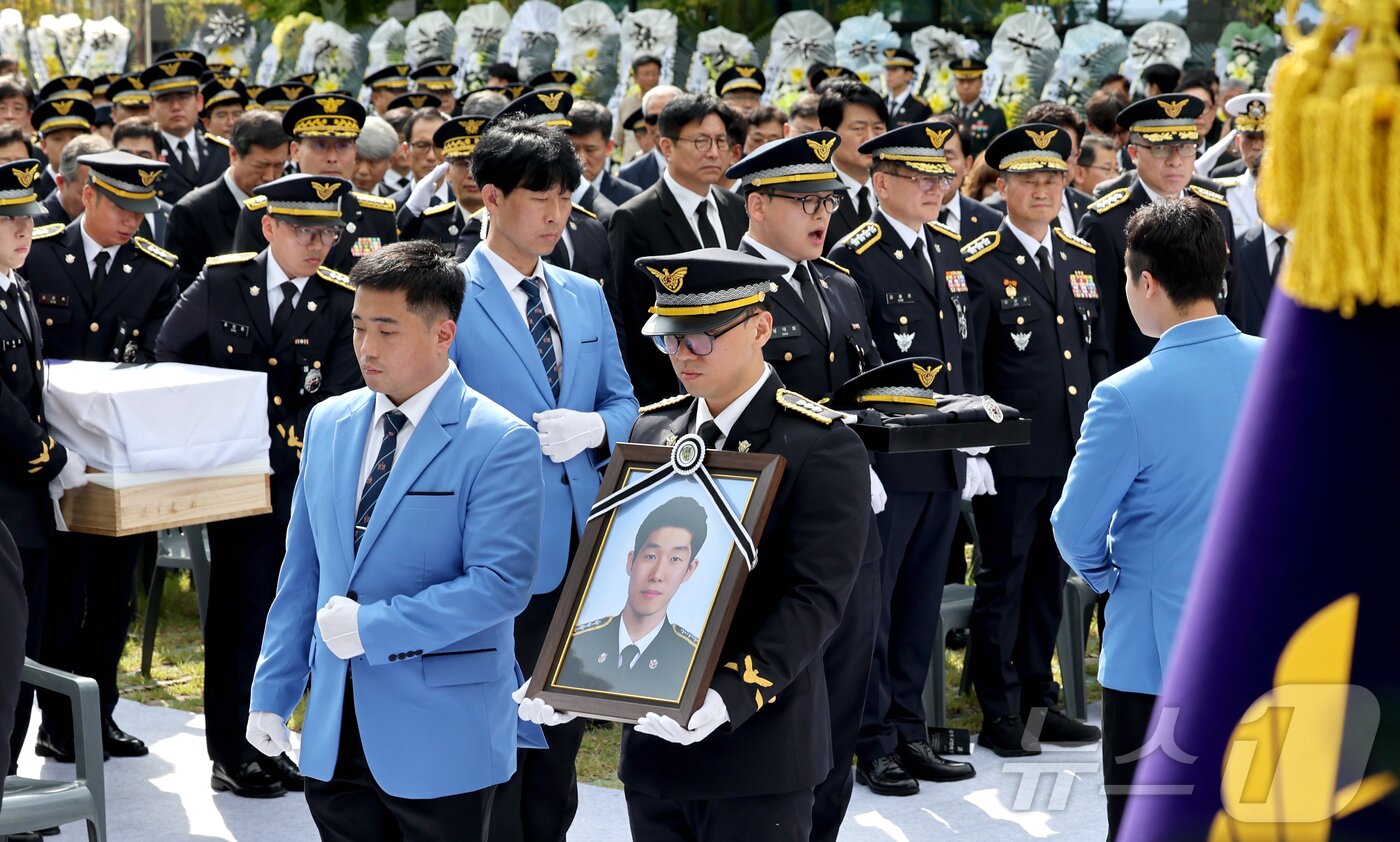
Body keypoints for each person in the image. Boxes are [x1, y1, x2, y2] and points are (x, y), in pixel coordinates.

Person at [522, 248, 871, 841]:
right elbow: (618, 572)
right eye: (669, 340)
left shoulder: (821, 444)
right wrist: (575, 679)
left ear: (761, 326)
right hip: (656, 754)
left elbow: (813, 600)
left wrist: (728, 696)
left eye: (701, 338)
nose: (682, 355)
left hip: (756, 746)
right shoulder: (652, 432)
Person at [245, 239, 546, 840]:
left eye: (387, 330)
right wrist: (272, 692)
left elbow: (500, 585)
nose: (365, 347)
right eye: (358, 326)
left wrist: (372, 628)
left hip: (443, 733)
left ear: (443, 334)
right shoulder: (329, 422)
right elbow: (302, 571)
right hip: (335, 728)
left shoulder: (499, 439)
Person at [1051, 198, 1262, 839]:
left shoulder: (1127, 393)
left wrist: (1116, 578)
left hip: (1158, 653)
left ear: (1146, 282)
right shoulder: (1284, 369)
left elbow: (1073, 526)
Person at [452, 109, 637, 842]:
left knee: (561, 733)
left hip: (583, 538)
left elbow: (623, 398)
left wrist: (598, 430)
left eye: (567, 197)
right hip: (493, 541)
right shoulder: (450, 293)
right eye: (541, 198)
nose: (558, 214)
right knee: (498, 732)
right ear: (490, 197)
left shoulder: (582, 293)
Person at [157, 174, 365, 798]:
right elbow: (170, 353)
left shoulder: (339, 297)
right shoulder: (223, 281)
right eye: (304, 230)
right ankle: (231, 751)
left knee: (296, 614)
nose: (318, 243)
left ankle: (272, 742)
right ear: (269, 226)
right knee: (239, 618)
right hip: (240, 480)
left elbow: (344, 392)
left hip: (307, 484)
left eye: (327, 231)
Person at [726, 131, 886, 838]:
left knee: (845, 692)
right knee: (778, 690)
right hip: (764, 523)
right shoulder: (721, 287)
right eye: (804, 201)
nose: (822, 215)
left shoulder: (839, 282)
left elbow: (865, 389)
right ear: (758, 204)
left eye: (827, 200)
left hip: (846, 520)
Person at [827, 121, 979, 797]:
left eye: (939, 177)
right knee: (878, 610)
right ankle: (873, 741)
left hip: (942, 455)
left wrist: (971, 436)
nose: (932, 189)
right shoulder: (856, 253)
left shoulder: (949, 247)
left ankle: (911, 728)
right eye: (917, 179)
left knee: (919, 605)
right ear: (881, 181)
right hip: (888, 460)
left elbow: (961, 353)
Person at [23, 151, 180, 765]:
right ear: (87, 195)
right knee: (61, 595)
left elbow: (157, 351)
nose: (132, 222)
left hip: (118, 455)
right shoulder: (37, 253)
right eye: (120, 207)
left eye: (142, 211)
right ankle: (56, 720)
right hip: (48, 458)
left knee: (114, 595)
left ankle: (101, 713)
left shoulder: (154, 270)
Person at [961, 125, 1104, 758]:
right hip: (1012, 455)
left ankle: (1038, 701)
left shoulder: (1079, 258)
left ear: (1066, 181)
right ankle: (999, 708)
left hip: (1072, 450)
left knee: (1049, 578)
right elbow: (974, 366)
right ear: (1004, 185)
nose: (1041, 189)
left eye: (1051, 177)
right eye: (1027, 178)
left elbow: (1091, 353)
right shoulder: (978, 261)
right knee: (1005, 579)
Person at [0, 159, 87, 779]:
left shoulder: (17, 286)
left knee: (23, 644)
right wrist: (47, 454)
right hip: (7, 496)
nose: (24, 232)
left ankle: (9, 781)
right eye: (8, 221)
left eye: (28, 219)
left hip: (27, 500)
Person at [1077, 94, 1235, 374]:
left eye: (1186, 147)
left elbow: (1234, 304)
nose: (1176, 160)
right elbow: (1104, 330)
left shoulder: (1216, 210)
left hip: (1215, 369)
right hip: (1143, 378)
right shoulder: (1106, 222)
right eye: (1162, 148)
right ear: (1134, 153)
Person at [609, 92, 748, 405]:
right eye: (701, 142)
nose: (714, 152)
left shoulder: (736, 209)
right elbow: (632, 323)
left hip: (739, 386)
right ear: (666, 146)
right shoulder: (635, 218)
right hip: (672, 389)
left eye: (721, 141)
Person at [556, 497, 707, 698]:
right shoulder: (579, 642)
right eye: (651, 556)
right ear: (631, 561)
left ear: (689, 570)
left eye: (675, 559)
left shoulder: (690, 658)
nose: (657, 575)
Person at [232, 93, 399, 274]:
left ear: (355, 152)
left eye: (343, 146)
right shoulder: (261, 213)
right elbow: (247, 285)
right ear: (295, 151)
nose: (332, 158)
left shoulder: (378, 216)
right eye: (320, 145)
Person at [167, 110, 290, 289]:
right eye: (260, 166)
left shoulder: (289, 203)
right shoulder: (192, 213)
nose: (270, 177)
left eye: (279, 166)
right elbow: (184, 289)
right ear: (233, 155)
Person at [139, 58, 230, 203]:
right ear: (152, 108)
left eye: (184, 97)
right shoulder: (145, 155)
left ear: (199, 102)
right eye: (165, 99)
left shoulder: (222, 151)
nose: (176, 106)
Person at [817, 80, 889, 250]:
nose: (871, 138)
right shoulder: (814, 193)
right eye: (858, 129)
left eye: (878, 128)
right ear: (829, 136)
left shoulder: (896, 189)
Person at [564, 100, 641, 216]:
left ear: (608, 147)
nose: (581, 160)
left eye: (590, 150)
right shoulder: (547, 195)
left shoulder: (631, 198)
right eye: (572, 149)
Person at [1216, 92, 1270, 238]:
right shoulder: (1221, 192)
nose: (1257, 146)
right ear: (1238, 142)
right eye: (1250, 138)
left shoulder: (1294, 192)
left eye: (1265, 137)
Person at [35, 133, 110, 228]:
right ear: (61, 182)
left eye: (108, 196)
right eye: (87, 194)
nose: (97, 206)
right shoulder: (33, 228)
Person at [617, 84, 681, 190]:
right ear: (646, 124)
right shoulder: (629, 175)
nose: (660, 125)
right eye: (652, 119)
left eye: (667, 117)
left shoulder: (704, 165)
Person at [32, 97, 96, 199]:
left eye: (74, 138)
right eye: (57, 139)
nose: (67, 146)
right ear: (43, 145)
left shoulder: (99, 186)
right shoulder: (32, 192)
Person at [949, 58, 1006, 156]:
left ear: (981, 83)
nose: (966, 86)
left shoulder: (994, 116)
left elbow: (999, 152)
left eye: (971, 81)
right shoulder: (946, 114)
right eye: (961, 81)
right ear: (955, 83)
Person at [614, 54, 663, 162]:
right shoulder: (625, 104)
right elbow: (619, 139)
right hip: (631, 163)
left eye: (654, 74)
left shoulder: (666, 103)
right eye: (646, 74)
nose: (651, 78)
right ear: (635, 77)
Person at [882, 49, 932, 127]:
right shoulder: (880, 104)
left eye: (894, 69)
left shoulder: (920, 107)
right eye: (888, 69)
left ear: (908, 75)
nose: (888, 74)